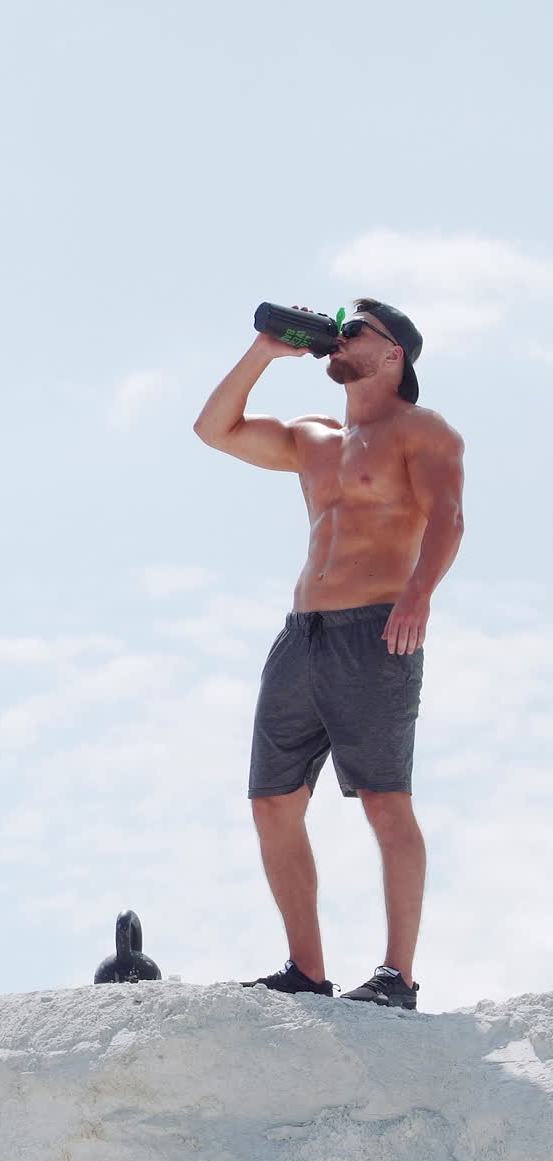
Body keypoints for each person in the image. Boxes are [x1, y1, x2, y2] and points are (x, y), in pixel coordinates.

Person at [193, 298, 465, 1009]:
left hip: (376, 631)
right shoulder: (313, 437)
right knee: (272, 802)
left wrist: (419, 595)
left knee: (384, 802)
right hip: (302, 636)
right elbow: (212, 429)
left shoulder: (421, 430)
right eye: (337, 330)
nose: (339, 339)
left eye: (355, 332)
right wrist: (264, 352)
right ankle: (307, 973)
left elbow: (448, 516)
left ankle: (396, 978)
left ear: (393, 354)